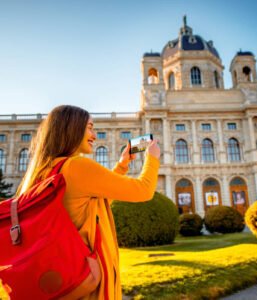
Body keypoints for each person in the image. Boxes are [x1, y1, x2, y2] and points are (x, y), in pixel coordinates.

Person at [16, 105, 160, 300]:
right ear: (72, 129)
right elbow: (143, 190)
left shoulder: (45, 171)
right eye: (90, 127)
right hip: (85, 284)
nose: (94, 134)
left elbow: (95, 203)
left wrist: (122, 165)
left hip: (62, 280)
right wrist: (152, 158)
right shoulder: (77, 166)